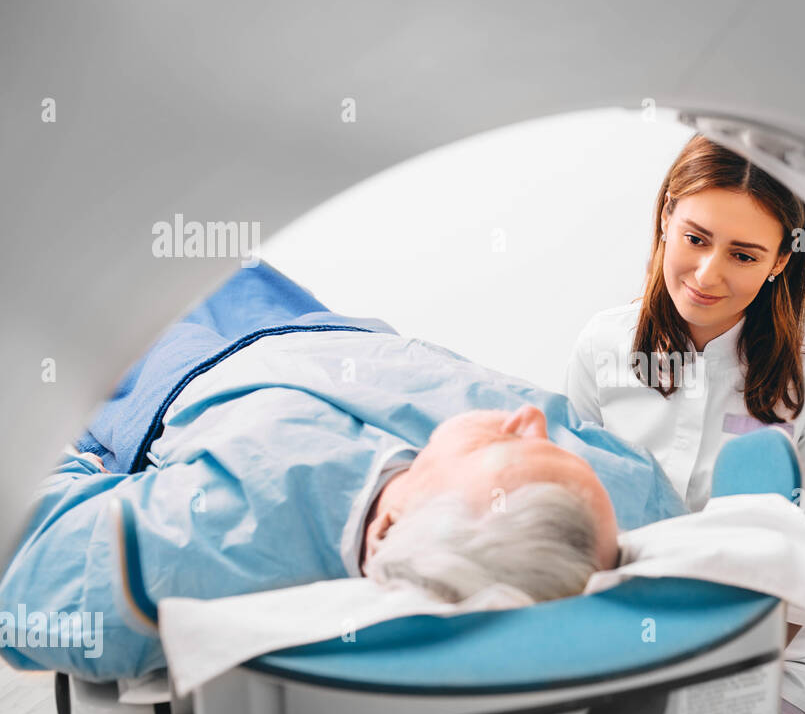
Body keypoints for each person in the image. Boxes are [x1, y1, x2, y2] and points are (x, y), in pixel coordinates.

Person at [0, 264, 687, 682]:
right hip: (320, 334)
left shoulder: (234, 536)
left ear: (389, 528)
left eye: (496, 453)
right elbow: (662, 509)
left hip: (174, 372)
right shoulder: (603, 510)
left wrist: (72, 452)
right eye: (541, 449)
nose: (525, 423)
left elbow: (27, 579)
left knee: (69, 267)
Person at [565, 134, 805, 714]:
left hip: (767, 658)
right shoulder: (602, 346)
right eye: (695, 239)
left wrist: (681, 679)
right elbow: (576, 527)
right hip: (619, 630)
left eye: (745, 254)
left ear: (781, 261)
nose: (707, 275)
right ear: (667, 216)